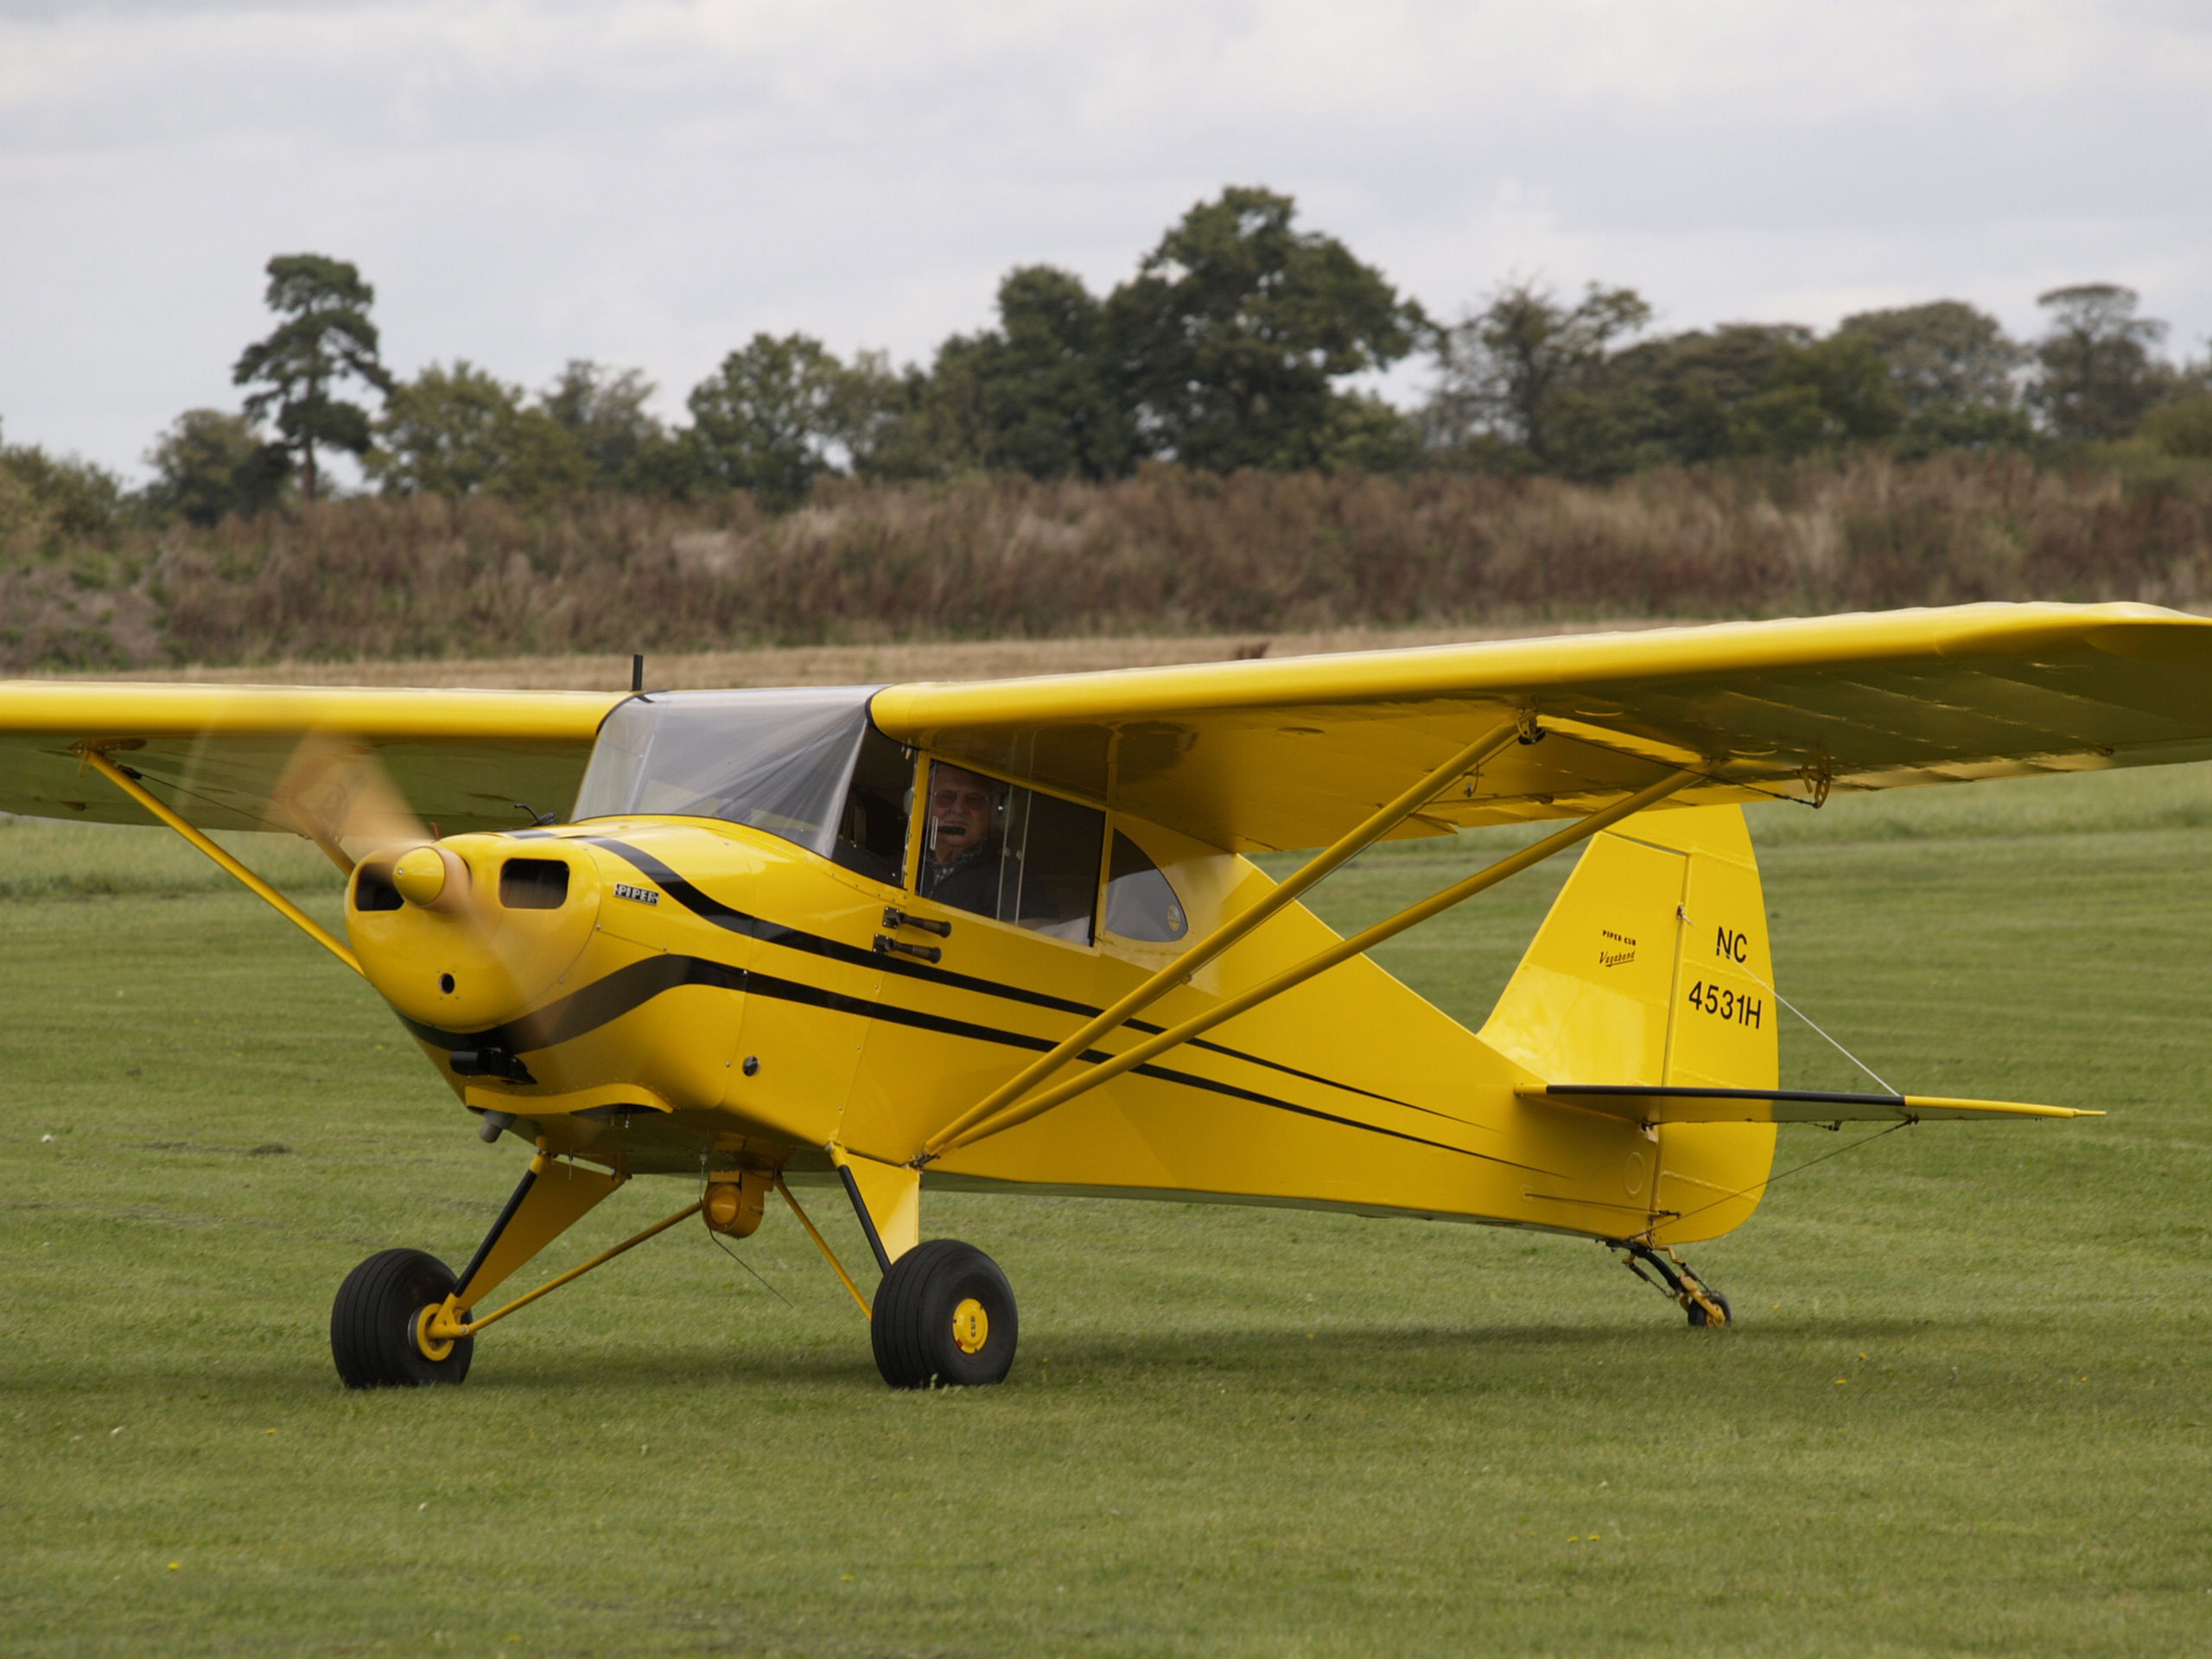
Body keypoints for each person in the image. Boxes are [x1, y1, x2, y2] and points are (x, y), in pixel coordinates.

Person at [918, 764, 1009, 918]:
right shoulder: (901, 866)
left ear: (995, 812)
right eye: (946, 797)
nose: (959, 809)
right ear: (926, 805)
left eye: (974, 800)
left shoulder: (1012, 881)